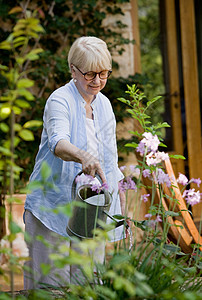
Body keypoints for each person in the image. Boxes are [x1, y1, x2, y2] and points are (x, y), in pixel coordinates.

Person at [24, 36, 125, 289]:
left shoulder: (105, 105)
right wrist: (83, 156)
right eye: (90, 74)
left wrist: (116, 204)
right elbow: (57, 142)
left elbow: (110, 161)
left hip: (90, 208)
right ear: (73, 70)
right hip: (52, 206)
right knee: (51, 288)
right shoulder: (60, 100)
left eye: (104, 73)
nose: (98, 81)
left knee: (88, 286)